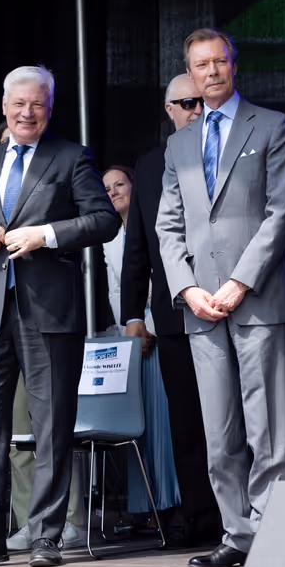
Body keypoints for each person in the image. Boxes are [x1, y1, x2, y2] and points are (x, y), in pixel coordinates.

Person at [0, 66, 118, 567]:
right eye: (18, 103)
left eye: (37, 103)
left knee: (51, 427)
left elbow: (104, 219)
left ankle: (46, 535)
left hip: (50, 313)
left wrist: (47, 235)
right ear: (4, 106)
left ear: (50, 108)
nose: (26, 112)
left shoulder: (71, 156)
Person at [156, 29, 285, 567]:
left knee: (268, 431)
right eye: (201, 65)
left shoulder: (273, 125)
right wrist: (187, 288)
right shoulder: (179, 144)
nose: (211, 72)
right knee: (219, 434)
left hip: (256, 299)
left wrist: (240, 281)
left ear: (234, 64)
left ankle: (273, 533)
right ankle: (237, 534)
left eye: (219, 61)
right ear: (190, 74)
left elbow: (280, 213)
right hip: (202, 309)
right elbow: (168, 225)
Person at [120, 74, 221, 548]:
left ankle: (239, 513)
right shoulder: (150, 164)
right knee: (185, 421)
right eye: (187, 103)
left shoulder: (226, 150)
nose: (197, 110)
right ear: (169, 110)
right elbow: (137, 246)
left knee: (231, 419)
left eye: (202, 102)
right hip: (174, 314)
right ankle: (198, 514)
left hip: (227, 306)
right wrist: (133, 315)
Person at [102, 165, 181, 523]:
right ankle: (146, 505)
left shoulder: (156, 222)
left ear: (135, 186)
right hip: (134, 338)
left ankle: (172, 501)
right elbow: (115, 291)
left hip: (162, 328)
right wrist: (131, 328)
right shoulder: (109, 238)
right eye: (107, 189)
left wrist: (148, 325)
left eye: (120, 184)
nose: (113, 192)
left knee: (166, 421)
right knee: (141, 423)